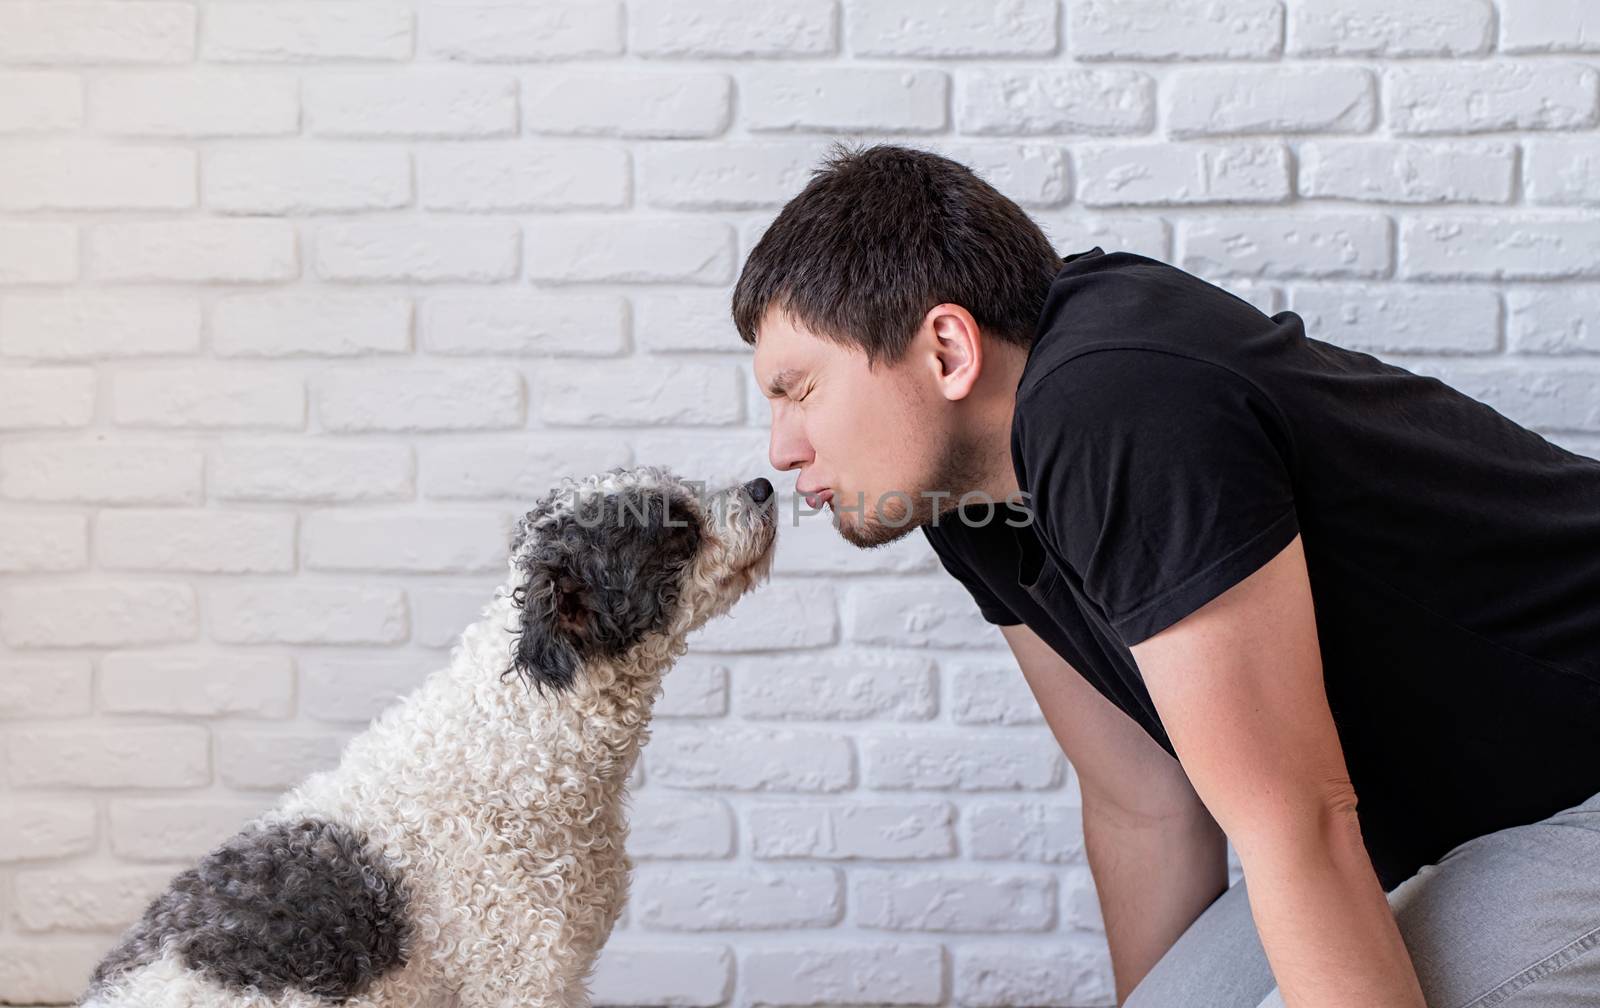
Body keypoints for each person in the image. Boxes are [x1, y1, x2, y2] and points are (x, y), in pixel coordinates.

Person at [730, 141, 1600, 1008]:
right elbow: (1139, 800)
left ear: (948, 351)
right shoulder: (969, 492)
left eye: (799, 390)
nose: (783, 449)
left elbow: (1298, 816)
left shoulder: (1117, 401)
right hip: (1429, 826)